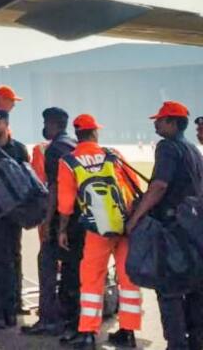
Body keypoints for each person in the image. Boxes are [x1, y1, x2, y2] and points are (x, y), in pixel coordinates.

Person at [57, 114, 142, 349]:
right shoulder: (112, 154)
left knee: (92, 280)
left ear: (77, 134)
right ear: (95, 132)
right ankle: (128, 330)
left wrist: (63, 230)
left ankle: (88, 333)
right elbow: (132, 184)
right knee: (127, 278)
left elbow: (65, 202)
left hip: (97, 227)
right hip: (124, 224)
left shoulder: (69, 161)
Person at [127, 101, 203, 350]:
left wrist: (136, 217)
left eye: (160, 120)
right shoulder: (193, 149)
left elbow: (159, 185)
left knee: (169, 290)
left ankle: (176, 344)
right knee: (193, 289)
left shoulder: (167, 147)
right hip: (193, 228)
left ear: (172, 122)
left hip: (171, 229)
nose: (155, 124)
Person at [22, 107, 79, 338]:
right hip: (78, 219)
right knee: (70, 269)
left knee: (45, 263)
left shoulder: (55, 150)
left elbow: (56, 188)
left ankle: (47, 318)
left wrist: (47, 221)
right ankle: (68, 315)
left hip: (60, 217)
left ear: (52, 124)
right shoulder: (75, 145)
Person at [0, 109, 29, 327]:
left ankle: (11, 307)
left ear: (6, 124)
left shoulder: (19, 149)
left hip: (14, 213)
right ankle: (2, 309)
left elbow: (28, 178)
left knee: (12, 258)